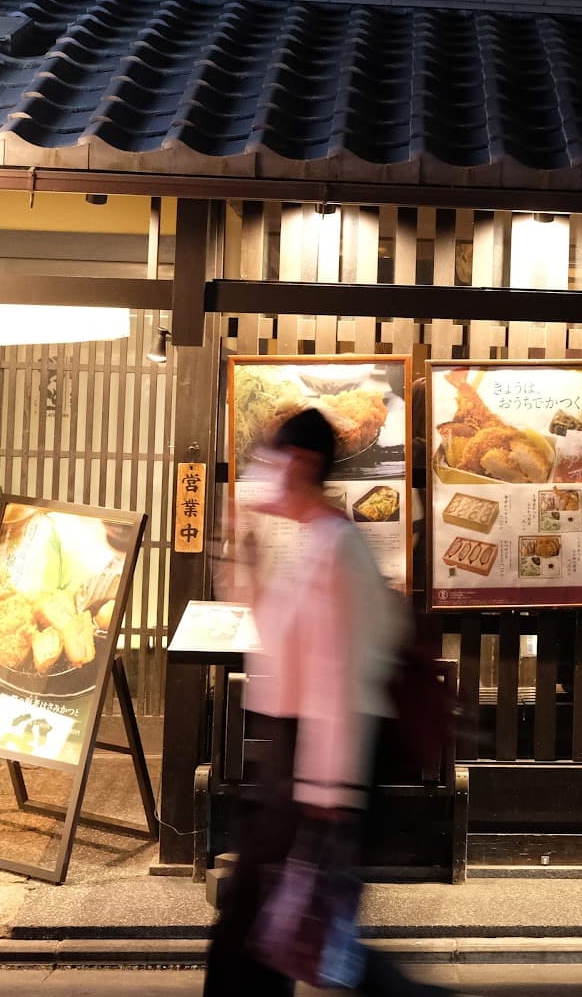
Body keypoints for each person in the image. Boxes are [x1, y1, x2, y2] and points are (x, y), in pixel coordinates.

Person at [203, 408, 460, 997]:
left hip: (317, 770)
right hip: (294, 766)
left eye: (270, 459)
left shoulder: (338, 546)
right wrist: (240, 555)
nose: (260, 473)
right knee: (275, 927)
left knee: (278, 926)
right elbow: (274, 642)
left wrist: (327, 795)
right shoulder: (315, 543)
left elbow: (341, 680)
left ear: (301, 464)